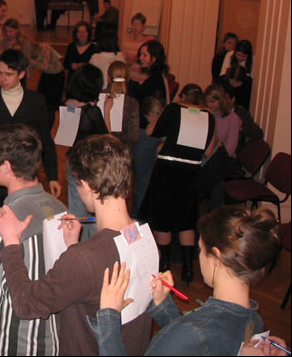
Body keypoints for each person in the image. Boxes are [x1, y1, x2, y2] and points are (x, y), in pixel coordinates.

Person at [0, 134, 152, 356]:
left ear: (87, 186)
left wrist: (10, 242)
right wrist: (73, 245)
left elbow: (25, 304)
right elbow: (90, 284)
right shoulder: (142, 235)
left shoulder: (84, 260)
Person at [95, 206, 280, 356]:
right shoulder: (254, 322)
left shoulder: (189, 335)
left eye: (200, 249)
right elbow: (197, 345)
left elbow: (191, 339)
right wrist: (162, 305)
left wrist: (109, 316)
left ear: (216, 257)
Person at [0, 124, 67, 356]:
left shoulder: (2, 225)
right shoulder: (60, 208)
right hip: (57, 336)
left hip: (16, 342)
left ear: (7, 167)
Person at [0, 49, 60, 268]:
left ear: (21, 74)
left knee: (21, 224)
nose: (2, 78)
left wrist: (53, 176)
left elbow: (45, 140)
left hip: (22, 179)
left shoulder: (36, 101)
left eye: (8, 74)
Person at [139, 84, 216, 283]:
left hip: (167, 169)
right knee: (186, 220)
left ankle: (165, 264)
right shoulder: (209, 116)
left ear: (182, 96)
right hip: (191, 172)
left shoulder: (174, 109)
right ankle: (188, 269)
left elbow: (150, 130)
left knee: (162, 219)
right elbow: (208, 151)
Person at [64, 63, 109, 241]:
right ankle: (91, 246)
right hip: (91, 165)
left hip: (72, 161)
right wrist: (107, 110)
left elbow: (66, 137)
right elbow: (106, 140)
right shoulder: (93, 112)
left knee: (76, 209)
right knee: (95, 210)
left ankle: (75, 244)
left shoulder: (68, 105)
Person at [104, 61, 140, 148]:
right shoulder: (132, 103)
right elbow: (134, 136)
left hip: (101, 149)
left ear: (108, 77)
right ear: (127, 79)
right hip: (123, 150)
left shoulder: (98, 98)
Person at [29, 41, 65, 127]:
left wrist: (30, 61)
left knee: (51, 105)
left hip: (56, 75)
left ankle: (48, 128)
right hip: (47, 74)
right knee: (41, 100)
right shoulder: (31, 51)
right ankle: (41, 124)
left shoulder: (45, 47)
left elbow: (45, 66)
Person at [121, 12, 155, 83]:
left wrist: (139, 59)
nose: (135, 27)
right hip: (131, 78)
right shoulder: (126, 43)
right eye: (133, 24)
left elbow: (152, 60)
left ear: (143, 27)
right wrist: (129, 62)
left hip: (145, 79)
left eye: (138, 24)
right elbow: (123, 62)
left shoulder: (149, 41)